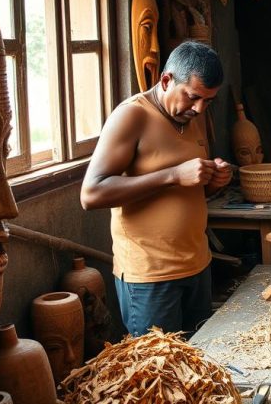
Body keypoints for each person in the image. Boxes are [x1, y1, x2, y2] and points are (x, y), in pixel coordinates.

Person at [80, 41, 232, 336]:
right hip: (150, 277)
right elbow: (91, 193)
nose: (199, 108)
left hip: (197, 265)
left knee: (197, 366)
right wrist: (173, 174)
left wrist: (213, 183)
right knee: (159, 374)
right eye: (193, 97)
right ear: (166, 80)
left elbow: (188, 194)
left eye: (208, 101)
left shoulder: (192, 116)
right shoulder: (132, 115)